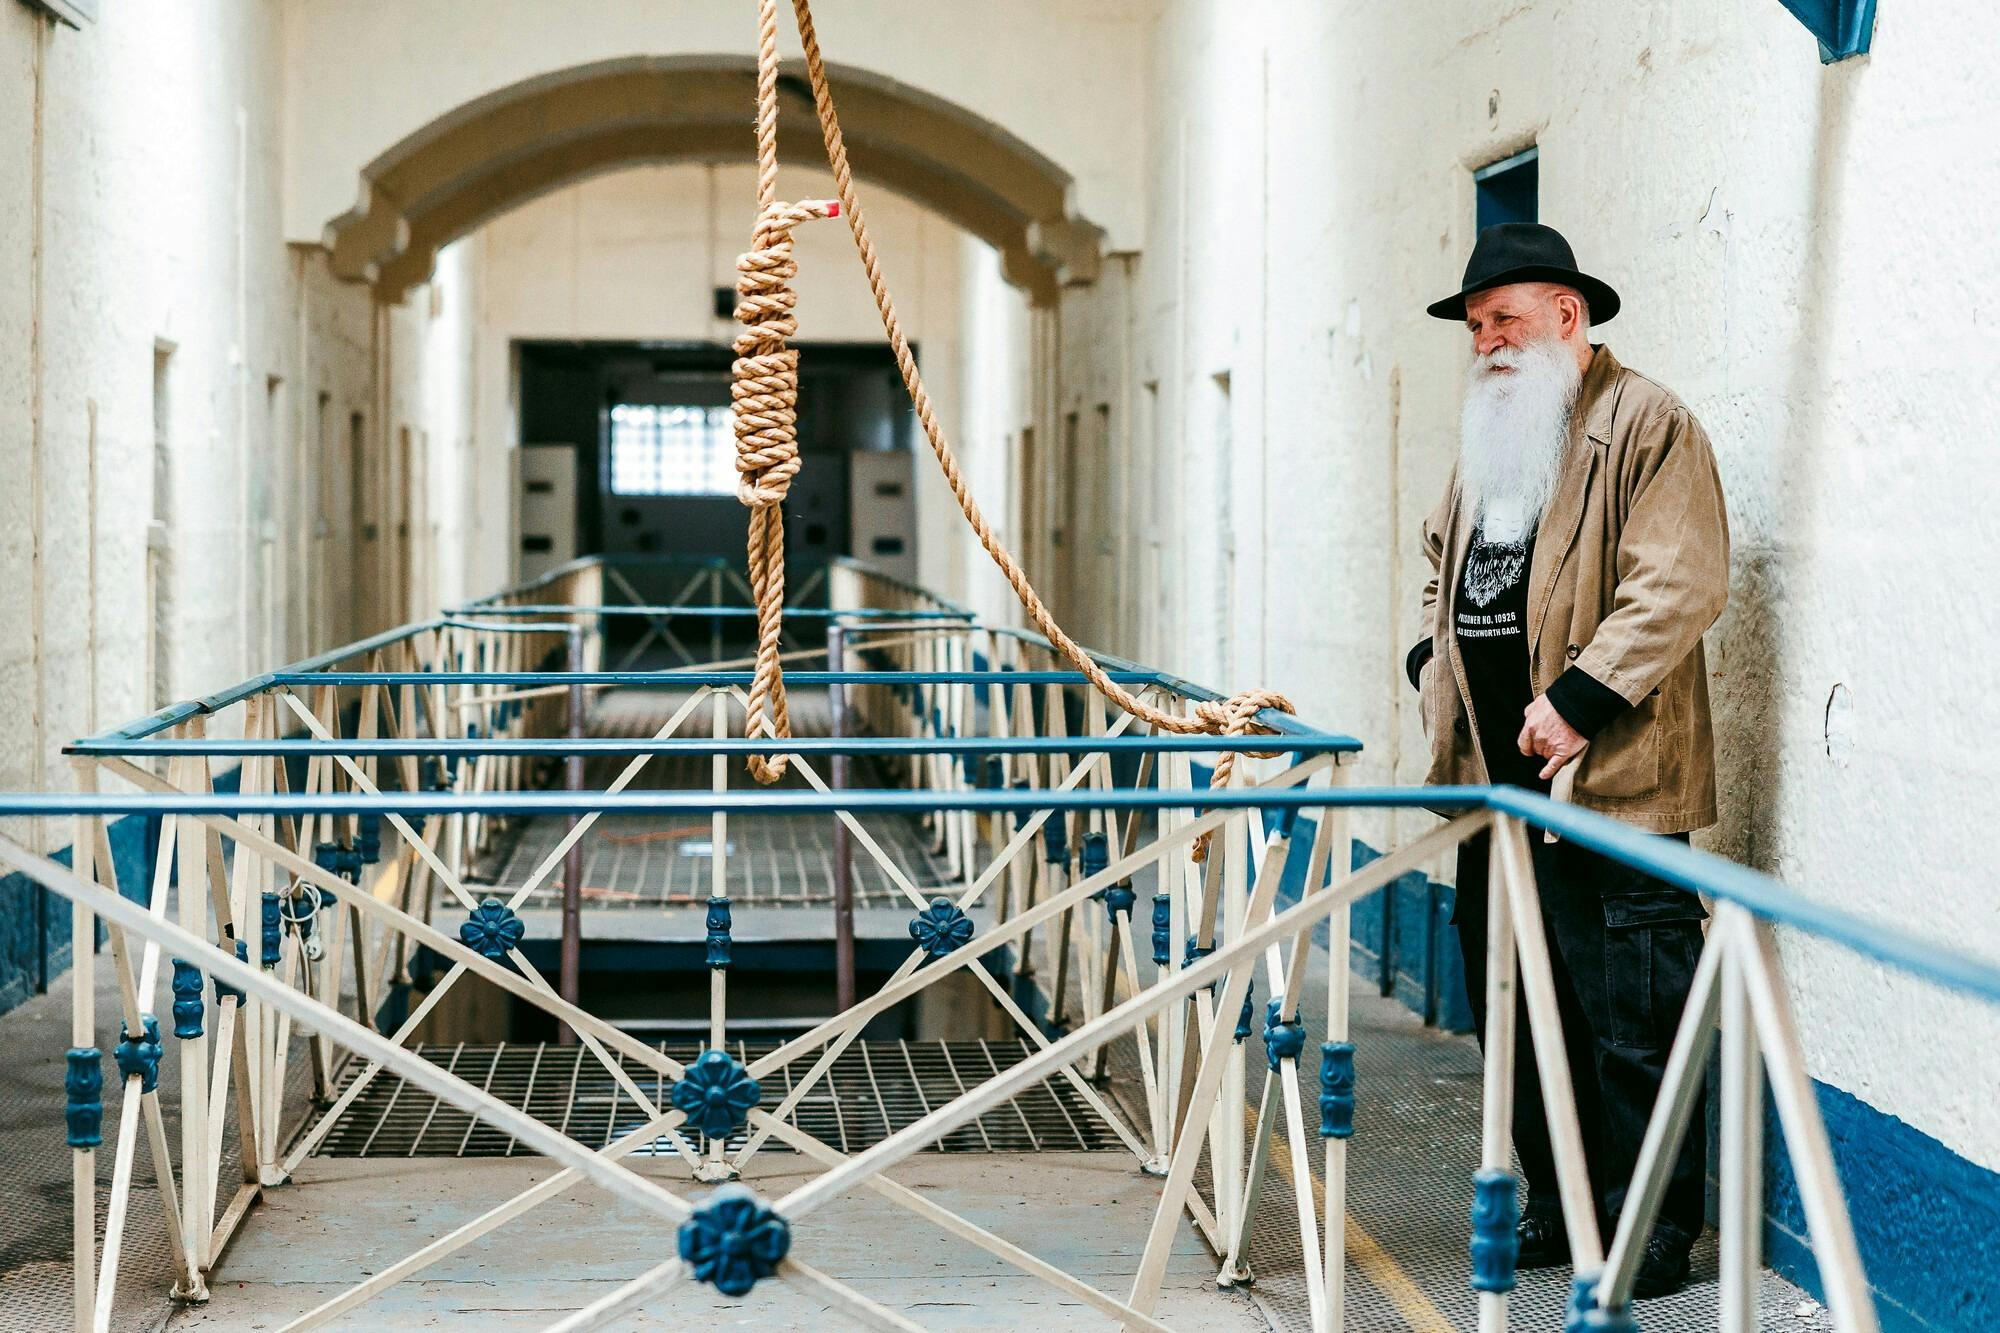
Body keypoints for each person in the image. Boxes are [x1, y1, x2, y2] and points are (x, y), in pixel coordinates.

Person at [1408, 223, 1730, 1297]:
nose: (1487, 343)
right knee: (1514, 1006)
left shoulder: (1647, 424)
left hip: (1611, 790)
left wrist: (1578, 701)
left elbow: (1678, 580)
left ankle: (1652, 1225)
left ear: (1566, 315)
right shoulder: (1493, 436)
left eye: (1503, 319)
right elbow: (1439, 565)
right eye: (1473, 327)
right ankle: (1560, 1198)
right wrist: (1431, 663)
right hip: (1495, 795)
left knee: (1631, 1020)